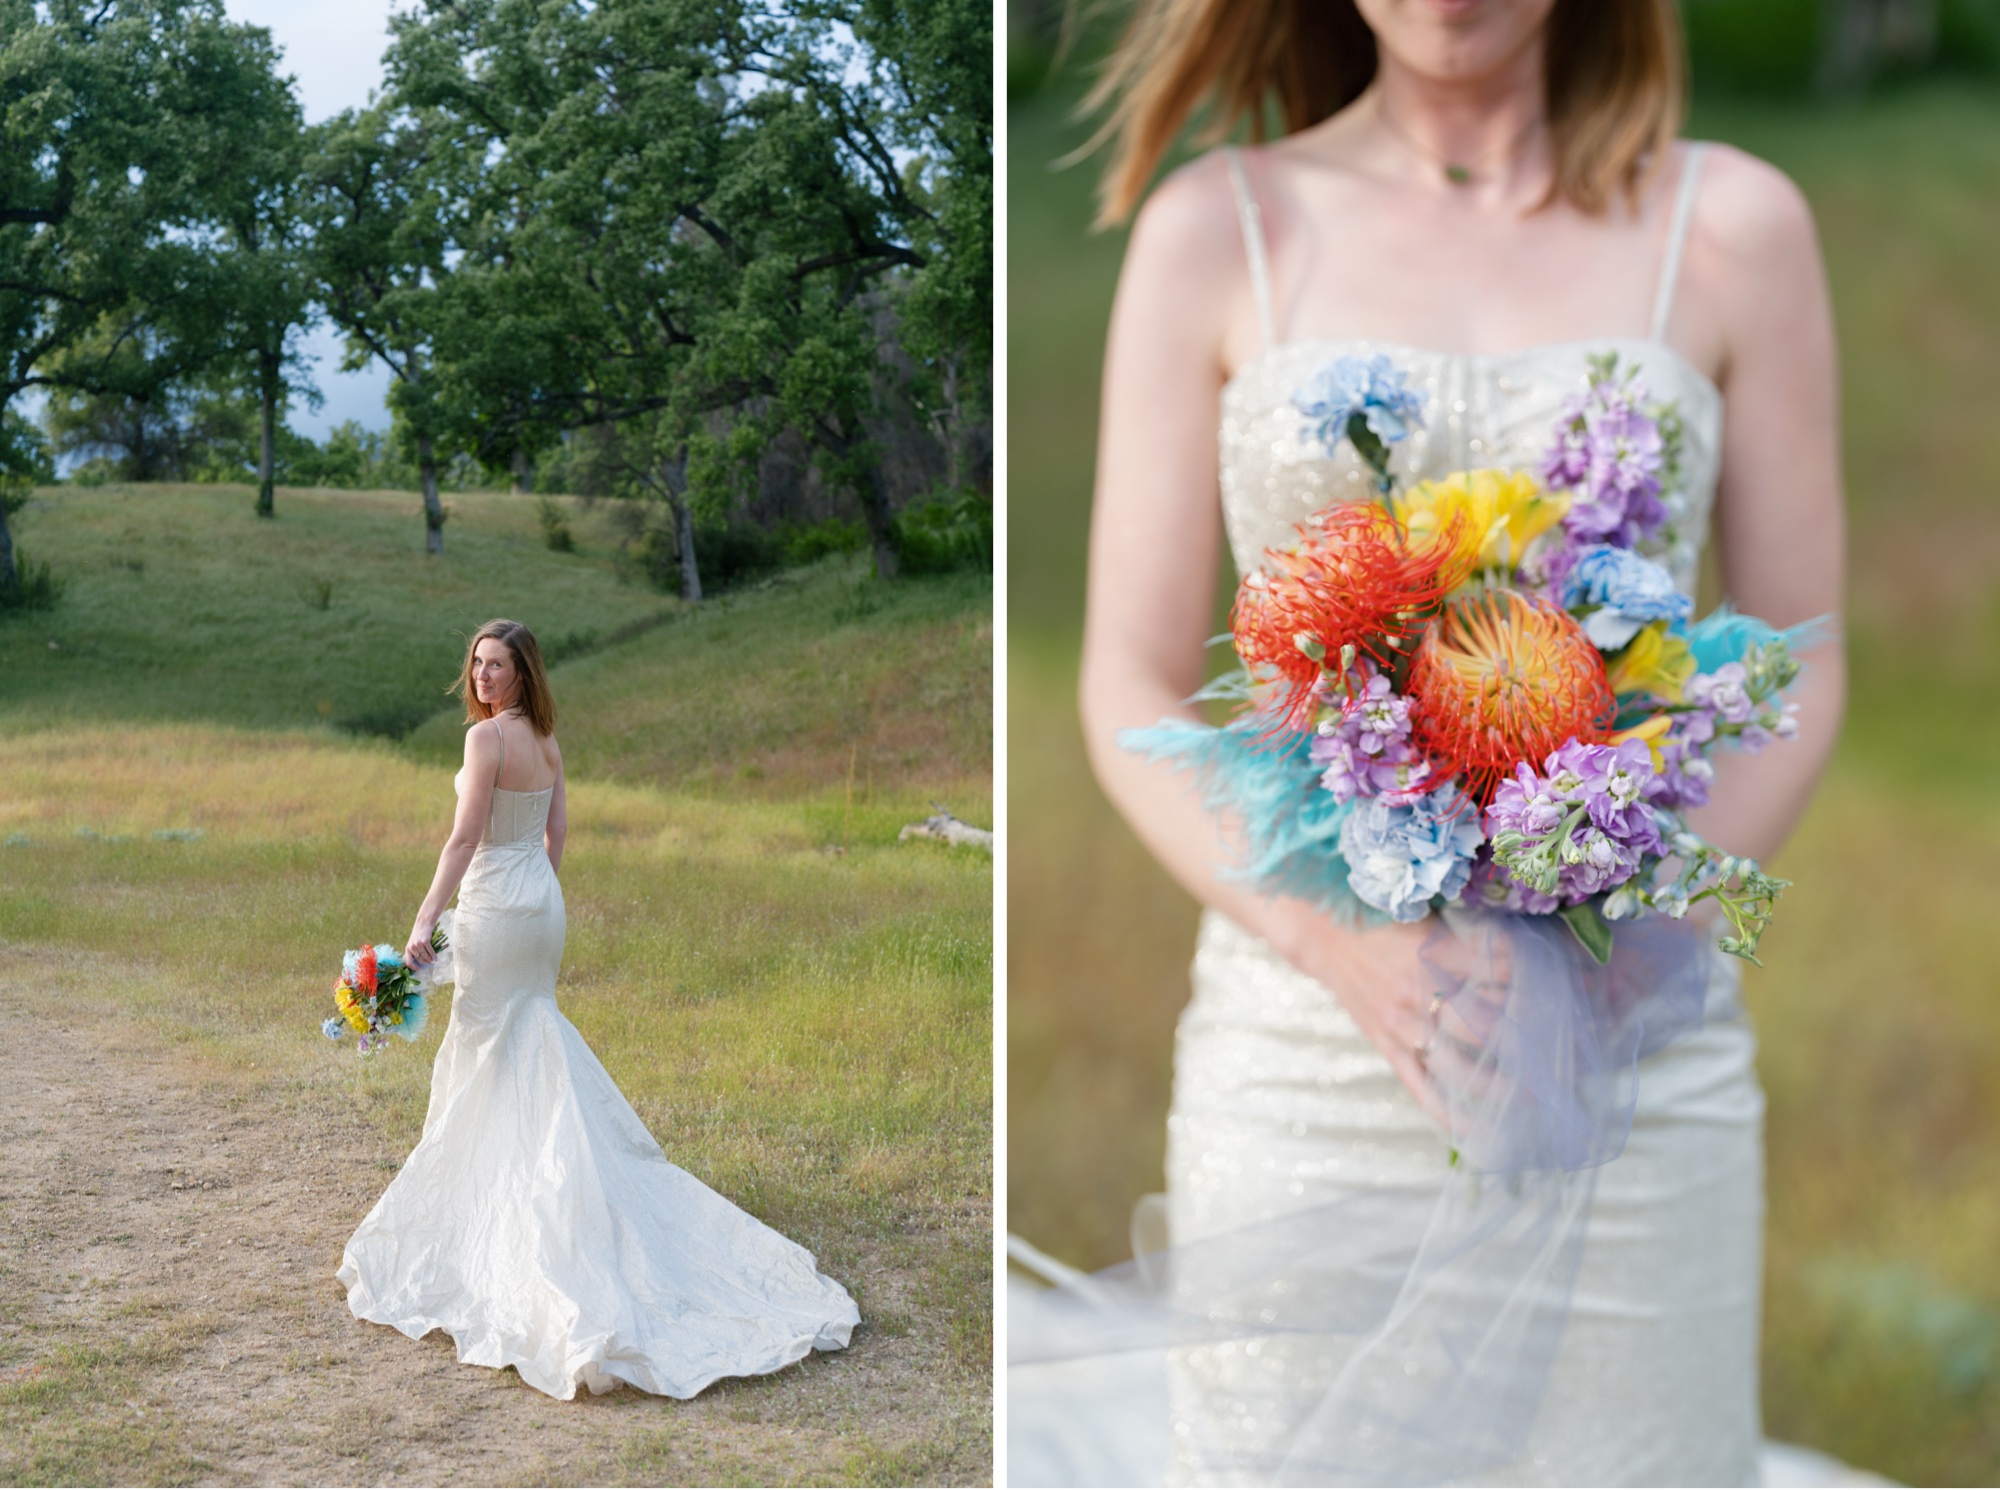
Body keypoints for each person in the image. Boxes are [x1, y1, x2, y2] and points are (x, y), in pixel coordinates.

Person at [1040, 0, 1846, 1483]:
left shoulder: (1733, 222)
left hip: (1631, 1073)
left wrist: (1623, 952)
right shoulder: (1217, 232)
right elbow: (1128, 682)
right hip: (1311, 1056)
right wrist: (1347, 951)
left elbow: (1812, 649)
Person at [337, 618, 859, 1400]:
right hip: (537, 905)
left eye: (498, 666)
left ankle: (504, 1211)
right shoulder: (544, 738)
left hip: (496, 903)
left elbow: (463, 838)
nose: (482, 677)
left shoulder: (488, 744)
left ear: (523, 672)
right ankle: (539, 1180)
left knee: (490, 1047)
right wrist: (533, 888)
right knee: (526, 1038)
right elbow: (556, 830)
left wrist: (424, 922)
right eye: (477, 664)